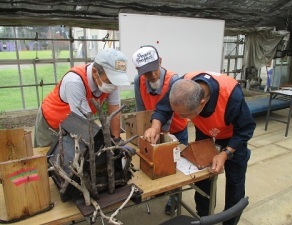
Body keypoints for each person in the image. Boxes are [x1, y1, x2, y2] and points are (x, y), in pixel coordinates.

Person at [144, 71, 256, 225]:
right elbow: (163, 109)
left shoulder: (231, 95)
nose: (181, 118)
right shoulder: (182, 86)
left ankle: (230, 222)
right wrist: (155, 126)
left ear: (202, 103)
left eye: (184, 115)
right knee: (202, 177)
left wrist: (225, 153)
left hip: (232, 137)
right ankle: (203, 218)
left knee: (235, 183)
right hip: (205, 132)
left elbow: (246, 129)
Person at [132, 45, 189, 215]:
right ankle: (162, 189)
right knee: (157, 164)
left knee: (176, 167)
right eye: (147, 73)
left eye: (154, 70)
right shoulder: (138, 81)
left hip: (176, 130)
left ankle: (175, 198)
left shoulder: (174, 80)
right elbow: (141, 109)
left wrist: (159, 133)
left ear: (160, 61)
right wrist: (144, 131)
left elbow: (169, 112)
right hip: (153, 130)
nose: (152, 75)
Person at [34, 48, 130, 147]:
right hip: (52, 123)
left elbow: (114, 111)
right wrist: (102, 145)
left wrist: (116, 140)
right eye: (109, 81)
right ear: (94, 72)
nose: (114, 86)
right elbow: (84, 122)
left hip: (74, 122)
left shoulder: (111, 83)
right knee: (49, 156)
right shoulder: (74, 81)